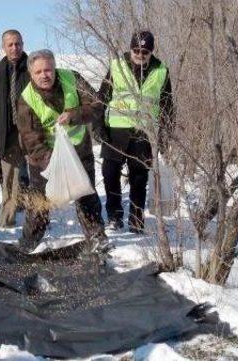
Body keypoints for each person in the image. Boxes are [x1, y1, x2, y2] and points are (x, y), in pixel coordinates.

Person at [16, 49, 109, 253]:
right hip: (44, 160)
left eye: (48, 70)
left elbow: (96, 105)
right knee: (39, 203)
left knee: (86, 195)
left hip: (79, 152)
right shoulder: (26, 99)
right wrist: (53, 163)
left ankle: (97, 237)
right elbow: (31, 139)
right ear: (31, 74)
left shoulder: (72, 78)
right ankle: (29, 243)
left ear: (55, 67)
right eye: (38, 72)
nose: (44, 75)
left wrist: (73, 115)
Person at [95, 31, 174, 233]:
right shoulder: (117, 66)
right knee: (110, 173)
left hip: (144, 132)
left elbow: (168, 107)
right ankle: (114, 215)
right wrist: (98, 126)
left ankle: (136, 220)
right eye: (136, 50)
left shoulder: (161, 71)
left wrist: (165, 137)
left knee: (139, 178)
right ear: (131, 49)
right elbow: (101, 98)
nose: (140, 54)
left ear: (151, 52)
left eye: (145, 51)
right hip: (116, 130)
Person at [0, 29, 30, 227]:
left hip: (32, 133)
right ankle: (7, 222)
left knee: (38, 178)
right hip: (7, 135)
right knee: (10, 181)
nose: (14, 48)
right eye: (10, 44)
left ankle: (39, 221)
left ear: (23, 44)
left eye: (18, 43)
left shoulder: (33, 69)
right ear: (3, 47)